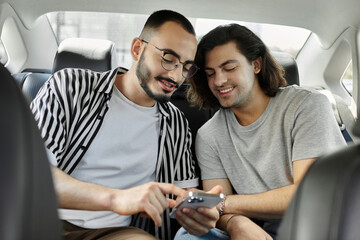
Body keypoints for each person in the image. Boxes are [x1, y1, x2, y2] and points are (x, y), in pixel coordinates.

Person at [31, 10, 221, 240]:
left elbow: (182, 193)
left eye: (185, 67)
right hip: (43, 219)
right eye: (168, 58)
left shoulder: (176, 124)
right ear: (137, 49)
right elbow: (34, 173)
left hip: (114, 233)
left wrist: (200, 211)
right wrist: (117, 198)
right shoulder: (70, 86)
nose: (176, 75)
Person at [175, 24, 347, 240]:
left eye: (229, 68)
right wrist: (235, 222)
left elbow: (307, 196)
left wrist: (224, 204)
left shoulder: (307, 106)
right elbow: (215, 211)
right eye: (210, 74)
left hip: (324, 224)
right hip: (262, 230)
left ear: (256, 64)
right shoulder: (209, 136)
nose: (219, 81)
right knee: (188, 235)